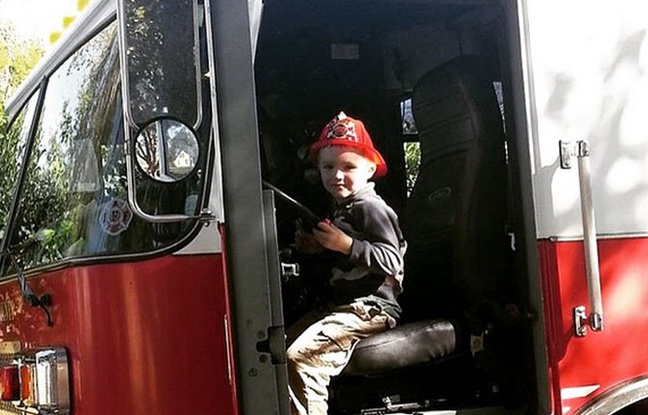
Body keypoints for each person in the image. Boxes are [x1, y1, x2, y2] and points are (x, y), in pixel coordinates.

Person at [286, 111, 406, 415]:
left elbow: (391, 260)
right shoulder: (344, 207)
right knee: (278, 346)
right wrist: (316, 249)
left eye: (348, 166)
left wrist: (346, 244)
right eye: (328, 167)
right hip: (343, 305)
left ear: (370, 169)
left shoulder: (371, 207)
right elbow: (346, 261)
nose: (336, 175)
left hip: (370, 308)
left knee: (302, 358)